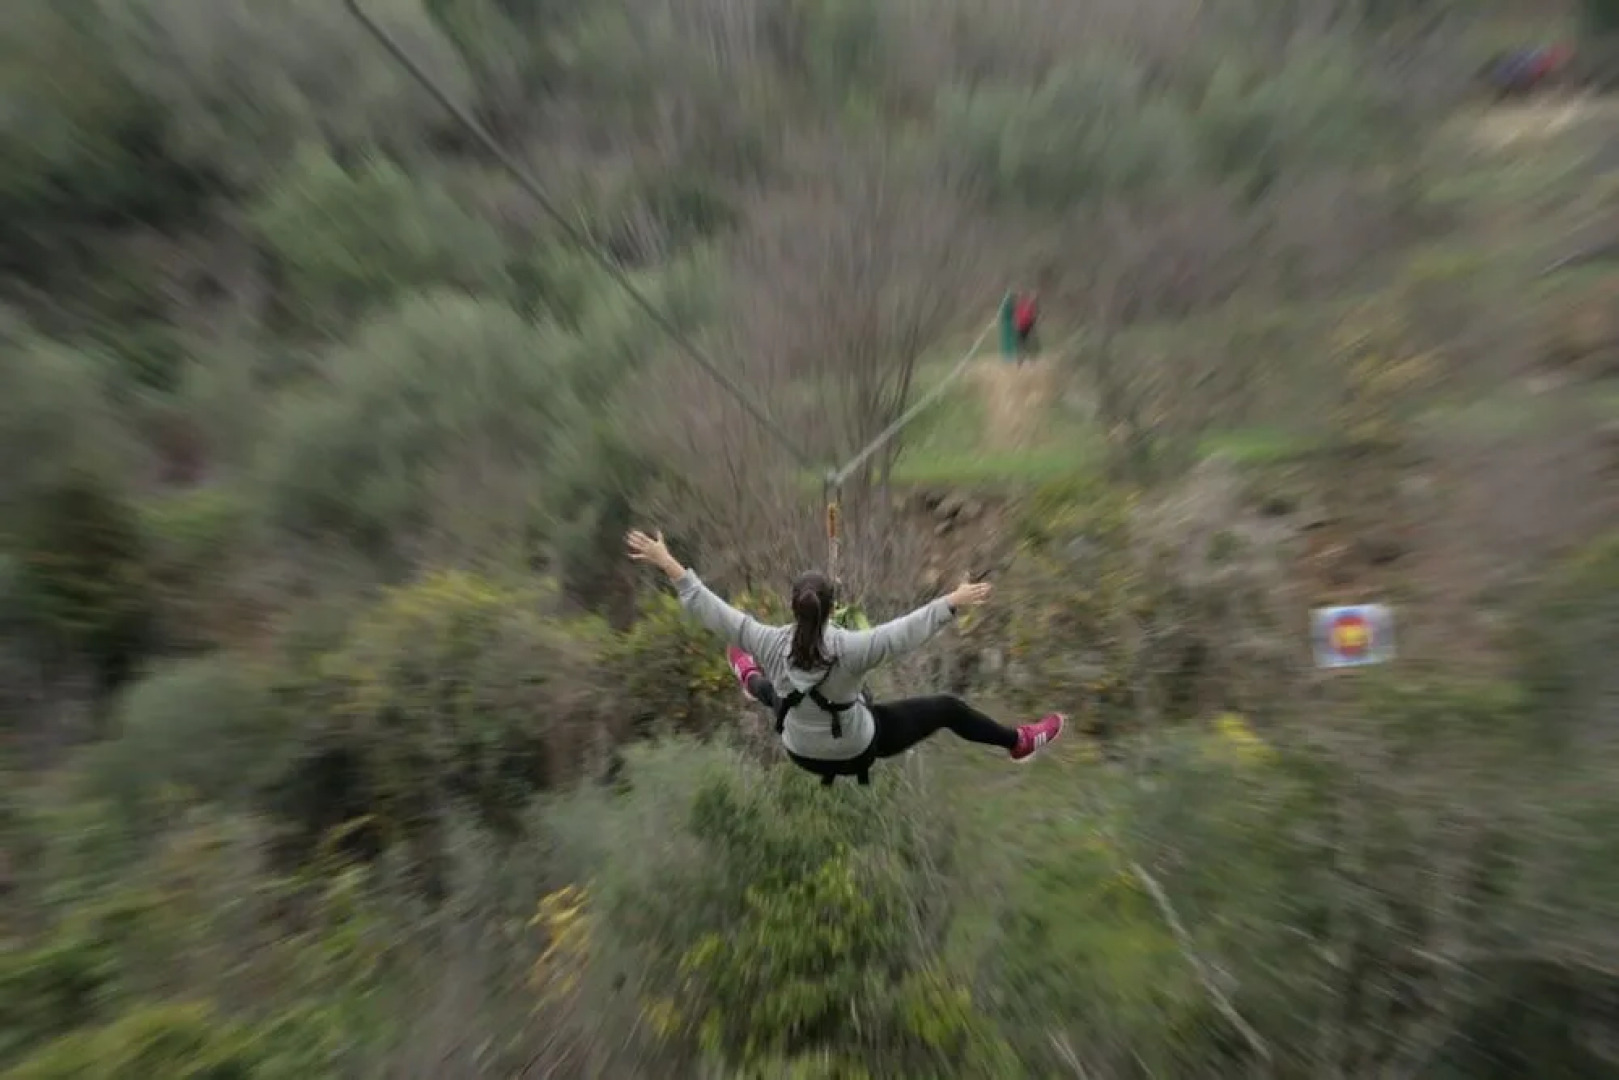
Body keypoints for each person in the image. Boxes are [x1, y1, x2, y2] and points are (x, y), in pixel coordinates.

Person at [626, 529, 1065, 786]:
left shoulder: (765, 640)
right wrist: (953, 599)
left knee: (785, 694)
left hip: (800, 751)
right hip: (857, 748)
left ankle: (750, 680)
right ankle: (1018, 742)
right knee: (943, 708)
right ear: (833, 609)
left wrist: (666, 560)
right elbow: (906, 631)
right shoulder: (854, 648)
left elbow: (707, 605)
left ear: (791, 606)